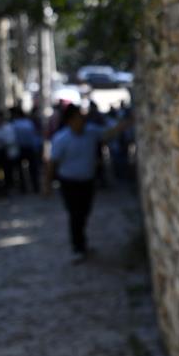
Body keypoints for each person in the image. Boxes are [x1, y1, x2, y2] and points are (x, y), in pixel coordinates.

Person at [44, 104, 130, 263]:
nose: (82, 119)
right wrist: (47, 184)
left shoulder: (91, 132)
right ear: (70, 120)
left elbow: (108, 133)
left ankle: (81, 243)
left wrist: (126, 123)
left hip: (87, 182)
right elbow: (52, 163)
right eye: (79, 116)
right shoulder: (61, 139)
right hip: (69, 183)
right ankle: (78, 247)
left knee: (84, 212)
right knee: (75, 214)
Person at [10, 107, 42, 194]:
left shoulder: (14, 124)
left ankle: (23, 188)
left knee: (21, 170)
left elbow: (13, 138)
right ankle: (35, 186)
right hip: (30, 148)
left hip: (20, 148)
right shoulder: (29, 123)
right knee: (33, 168)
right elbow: (34, 135)